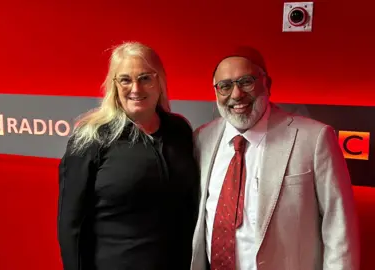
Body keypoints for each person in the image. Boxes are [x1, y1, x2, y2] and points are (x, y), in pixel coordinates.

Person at [190, 46, 360, 270]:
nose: (236, 94)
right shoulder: (203, 138)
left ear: (267, 84)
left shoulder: (314, 138)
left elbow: (339, 227)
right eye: (225, 86)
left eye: (246, 81)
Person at [57, 41, 199, 270]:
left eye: (145, 78)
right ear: (114, 85)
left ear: (159, 81)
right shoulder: (90, 139)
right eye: (125, 79)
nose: (135, 88)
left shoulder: (179, 131)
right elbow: (71, 226)